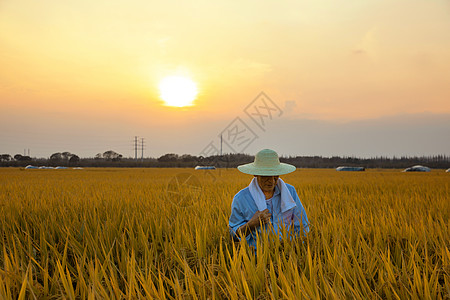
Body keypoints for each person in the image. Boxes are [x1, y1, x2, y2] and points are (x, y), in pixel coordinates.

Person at [229, 149, 309, 248]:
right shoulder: (241, 198)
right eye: (265, 175)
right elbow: (234, 235)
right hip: (256, 256)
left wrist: (294, 247)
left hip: (287, 254)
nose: (271, 180)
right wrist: (251, 224)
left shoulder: (290, 192)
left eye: (275, 175)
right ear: (255, 174)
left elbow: (302, 226)